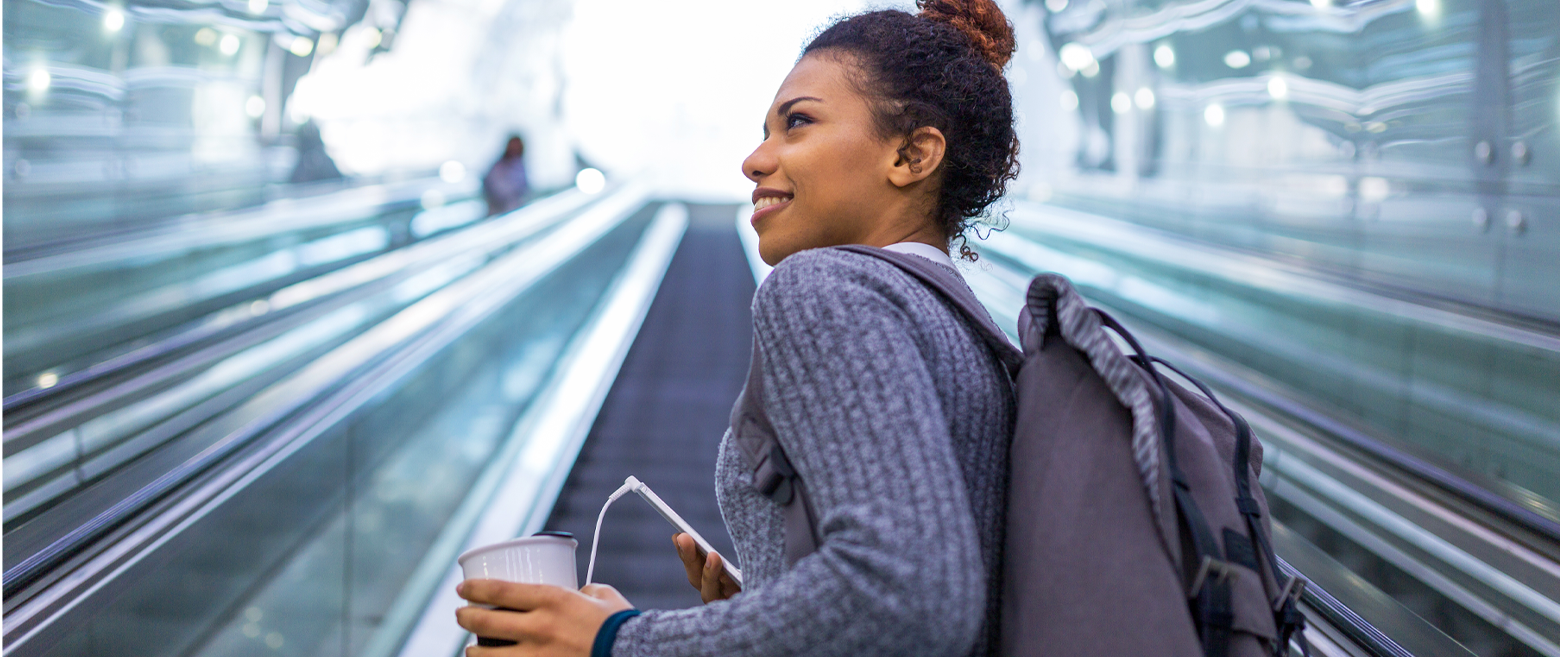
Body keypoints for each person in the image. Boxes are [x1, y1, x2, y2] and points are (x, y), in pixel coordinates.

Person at [454, 1, 1021, 654]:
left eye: (797, 124)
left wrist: (618, 638)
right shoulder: (968, 331)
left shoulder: (825, 288)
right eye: (764, 131)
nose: (755, 160)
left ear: (913, 154)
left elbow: (908, 599)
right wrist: (753, 616)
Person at [484, 135, 531, 216]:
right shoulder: (497, 167)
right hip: (499, 214)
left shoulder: (519, 165)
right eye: (513, 146)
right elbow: (499, 191)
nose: (515, 149)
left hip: (516, 213)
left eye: (517, 146)